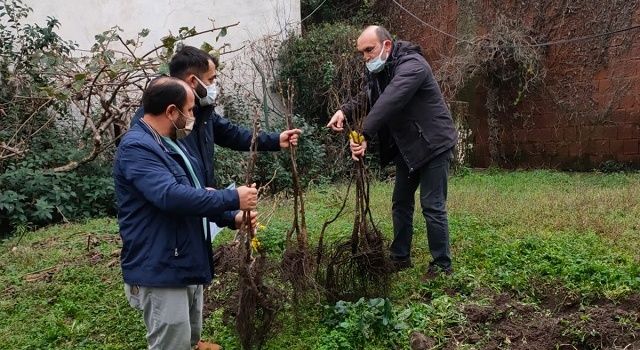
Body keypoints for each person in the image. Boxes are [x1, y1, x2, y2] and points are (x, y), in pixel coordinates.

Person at [114, 76, 259, 349]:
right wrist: (233, 198)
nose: (193, 116)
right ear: (171, 111)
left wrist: (232, 217)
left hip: (182, 256)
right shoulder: (137, 147)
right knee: (171, 343)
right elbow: (170, 197)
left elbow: (195, 192)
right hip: (160, 264)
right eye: (190, 110)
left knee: (189, 337)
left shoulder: (168, 143)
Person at [326, 26, 458, 279]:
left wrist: (364, 133)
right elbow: (369, 96)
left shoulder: (413, 66)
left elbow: (390, 100)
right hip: (408, 147)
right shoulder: (382, 72)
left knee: (432, 205)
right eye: (361, 52)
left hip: (433, 144)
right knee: (401, 202)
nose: (365, 57)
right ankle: (400, 258)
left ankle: (442, 266)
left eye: (369, 50)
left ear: (386, 46)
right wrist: (344, 110)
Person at [131, 46, 301, 233]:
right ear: (192, 82)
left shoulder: (200, 112)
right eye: (211, 79)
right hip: (169, 240)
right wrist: (232, 198)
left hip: (191, 229)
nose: (214, 86)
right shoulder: (155, 135)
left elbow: (230, 136)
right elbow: (174, 195)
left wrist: (275, 140)